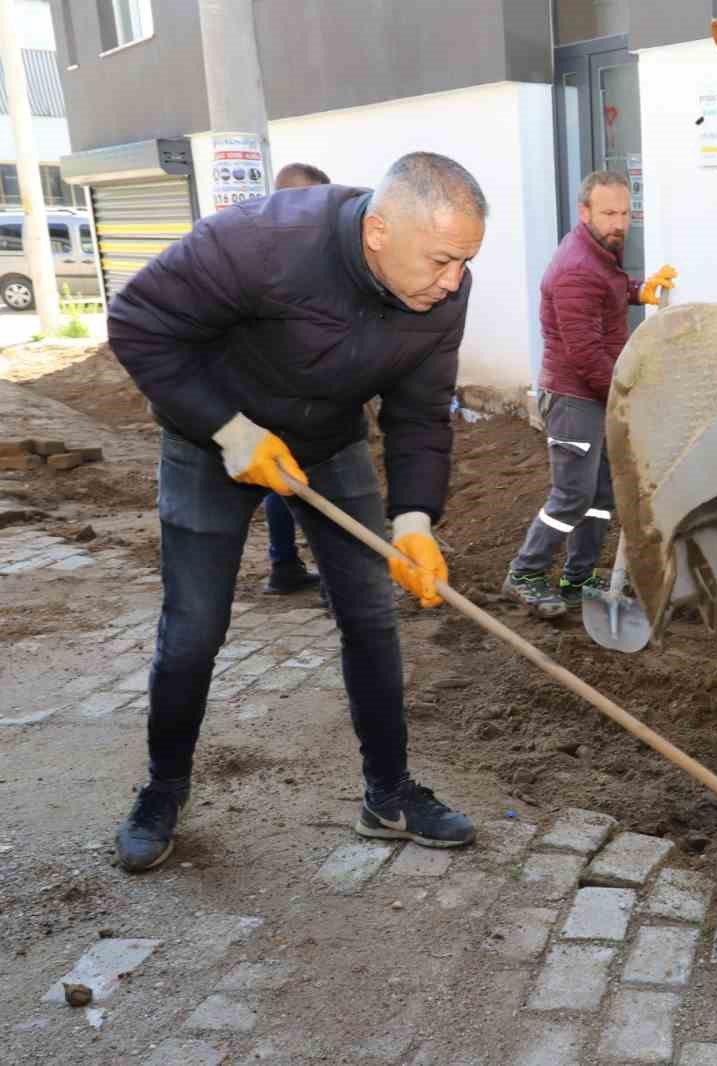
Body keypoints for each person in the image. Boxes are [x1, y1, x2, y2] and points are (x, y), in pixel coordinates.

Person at [107, 152, 485, 872]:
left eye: (465, 262)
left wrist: (412, 522)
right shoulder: (259, 243)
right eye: (441, 260)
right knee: (193, 629)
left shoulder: (442, 290)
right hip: (211, 436)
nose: (454, 282)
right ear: (378, 231)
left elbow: (420, 414)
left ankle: (389, 794)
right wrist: (228, 429)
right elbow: (136, 323)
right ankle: (163, 789)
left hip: (328, 443)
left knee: (371, 618)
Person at [503, 170, 676, 617]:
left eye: (625, 213)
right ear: (585, 212)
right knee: (572, 495)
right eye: (608, 213)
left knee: (600, 495)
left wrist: (641, 290)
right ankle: (525, 572)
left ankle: (578, 576)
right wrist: (624, 398)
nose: (620, 222)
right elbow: (585, 354)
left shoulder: (600, 253)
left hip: (596, 393)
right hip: (574, 398)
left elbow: (609, 292)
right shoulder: (577, 268)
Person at [257, 162, 334, 595]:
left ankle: (284, 566)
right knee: (316, 481)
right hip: (297, 391)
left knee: (281, 478)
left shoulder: (263, 242)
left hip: (274, 388)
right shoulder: (300, 252)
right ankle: (334, 587)